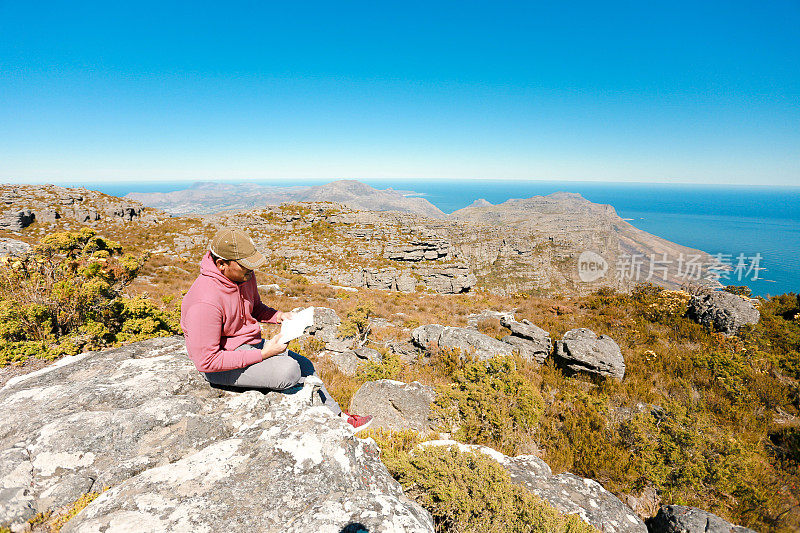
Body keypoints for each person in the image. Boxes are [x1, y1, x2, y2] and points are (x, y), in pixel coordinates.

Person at [180, 227, 372, 432]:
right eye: (245, 266)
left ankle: (339, 419)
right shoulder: (204, 302)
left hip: (248, 346)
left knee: (304, 364)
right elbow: (207, 361)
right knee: (288, 370)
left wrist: (280, 316)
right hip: (220, 366)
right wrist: (263, 355)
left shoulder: (243, 277)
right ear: (221, 264)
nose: (250, 272)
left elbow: (255, 308)